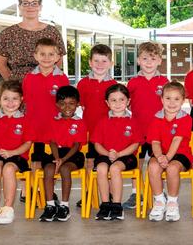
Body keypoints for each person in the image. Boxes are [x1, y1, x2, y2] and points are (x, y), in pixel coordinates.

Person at [124, 41, 169, 209]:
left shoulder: (164, 81)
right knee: (138, 162)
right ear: (137, 60)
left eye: (153, 58)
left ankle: (160, 191)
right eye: (144, 58)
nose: (149, 62)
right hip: (138, 130)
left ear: (159, 61)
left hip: (158, 132)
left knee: (159, 161)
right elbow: (126, 105)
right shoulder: (133, 83)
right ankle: (136, 193)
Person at [91, 84, 141, 221]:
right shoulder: (102, 121)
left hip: (127, 157)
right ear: (107, 102)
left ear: (128, 101)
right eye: (113, 100)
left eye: (121, 99)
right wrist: (108, 154)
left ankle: (117, 205)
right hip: (106, 155)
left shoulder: (133, 122)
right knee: (101, 168)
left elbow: (135, 144)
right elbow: (97, 144)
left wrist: (119, 155)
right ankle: (106, 204)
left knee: (114, 168)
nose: (118, 103)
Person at [77, 44, 117, 208]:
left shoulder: (114, 85)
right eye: (96, 61)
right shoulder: (83, 84)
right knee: (90, 163)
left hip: (109, 133)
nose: (100, 64)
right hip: (89, 131)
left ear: (111, 63)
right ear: (90, 62)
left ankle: (109, 193)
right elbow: (83, 107)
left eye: (104, 61)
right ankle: (89, 192)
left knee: (108, 164)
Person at [0, 0, 65, 82]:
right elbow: (0, 64)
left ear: (40, 7)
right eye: (25, 3)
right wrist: (13, 85)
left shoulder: (52, 32)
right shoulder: (7, 34)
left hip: (46, 83)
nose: (30, 7)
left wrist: (48, 80)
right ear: (19, 6)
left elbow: (59, 60)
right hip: (17, 87)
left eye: (34, 3)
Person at [146, 82, 193, 222]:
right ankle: (159, 200)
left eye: (176, 99)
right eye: (168, 98)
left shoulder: (186, 118)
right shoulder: (156, 118)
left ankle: (172, 202)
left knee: (172, 168)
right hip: (161, 153)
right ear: (161, 99)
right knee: (153, 166)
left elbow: (176, 141)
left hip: (181, 154)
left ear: (183, 100)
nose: (172, 103)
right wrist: (160, 157)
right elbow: (155, 142)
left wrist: (167, 158)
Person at [39, 86, 87, 222]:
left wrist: (63, 160)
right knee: (48, 169)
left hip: (73, 154)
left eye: (71, 103)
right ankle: (50, 205)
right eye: (62, 103)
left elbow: (77, 145)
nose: (67, 107)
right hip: (56, 153)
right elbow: (52, 142)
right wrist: (57, 158)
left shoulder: (80, 123)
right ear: (57, 105)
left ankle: (64, 206)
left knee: (65, 169)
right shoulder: (53, 121)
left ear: (77, 104)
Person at [0, 81, 32, 224]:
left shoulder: (26, 121)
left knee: (8, 169)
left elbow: (27, 143)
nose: (10, 103)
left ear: (21, 100)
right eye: (6, 98)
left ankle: (8, 208)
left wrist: (12, 152)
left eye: (14, 98)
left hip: (17, 157)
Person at [23, 38, 69, 176]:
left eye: (51, 54)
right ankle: (34, 190)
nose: (47, 58)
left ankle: (49, 192)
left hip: (55, 128)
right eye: (42, 54)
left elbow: (66, 105)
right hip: (35, 127)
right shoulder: (29, 78)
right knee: (36, 160)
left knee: (53, 162)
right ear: (35, 56)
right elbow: (25, 102)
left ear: (57, 57)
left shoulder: (62, 79)